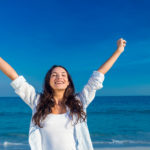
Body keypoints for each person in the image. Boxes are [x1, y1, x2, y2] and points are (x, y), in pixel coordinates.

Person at [0, 38, 126, 150]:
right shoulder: (37, 101)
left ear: (68, 82)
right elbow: (14, 77)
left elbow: (98, 76)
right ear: (48, 82)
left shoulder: (79, 101)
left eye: (63, 75)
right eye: (54, 75)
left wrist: (119, 51)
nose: (59, 77)